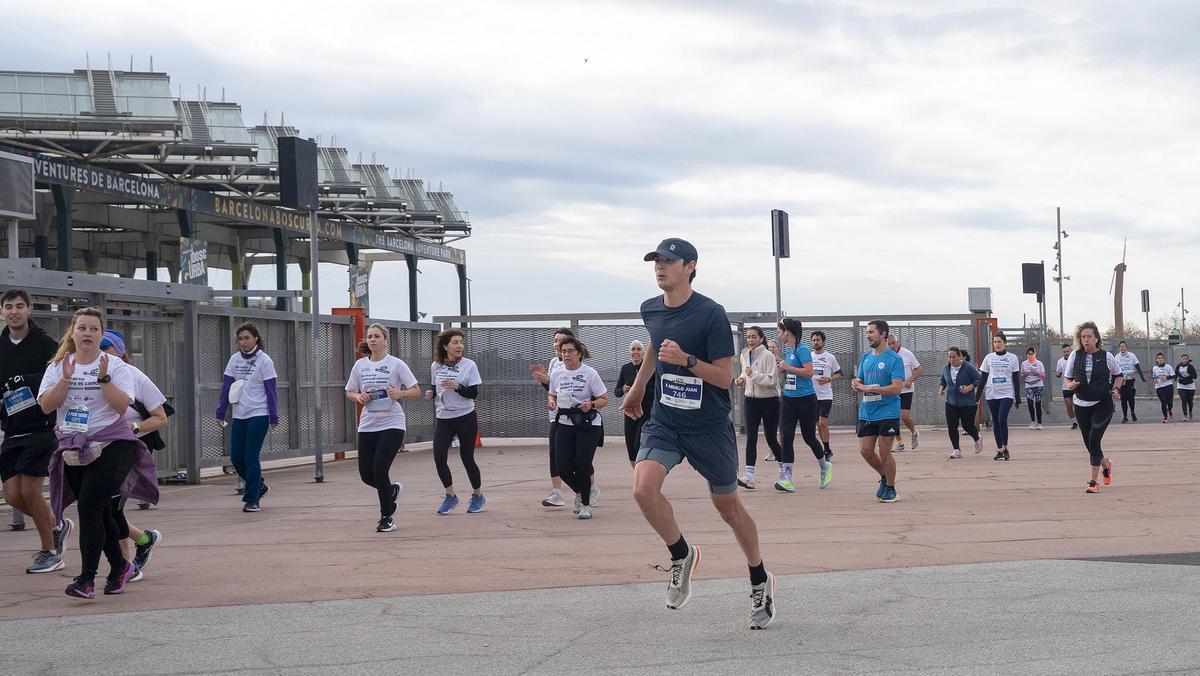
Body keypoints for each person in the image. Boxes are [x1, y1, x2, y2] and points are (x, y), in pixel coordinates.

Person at [621, 238, 775, 629]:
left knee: (728, 508)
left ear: (690, 267)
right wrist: (640, 386)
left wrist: (688, 361)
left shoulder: (711, 314)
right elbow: (656, 347)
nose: (660, 267)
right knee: (642, 489)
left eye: (668, 262)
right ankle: (681, 554)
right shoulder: (650, 308)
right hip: (666, 421)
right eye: (656, 261)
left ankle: (759, 579)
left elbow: (724, 377)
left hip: (708, 426)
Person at [37, 308, 157, 599]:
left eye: (94, 329)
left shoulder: (115, 366)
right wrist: (65, 380)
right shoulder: (58, 366)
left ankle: (86, 579)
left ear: (101, 335)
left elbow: (120, 407)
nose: (88, 334)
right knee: (99, 511)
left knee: (89, 504)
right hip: (74, 446)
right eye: (82, 328)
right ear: (73, 333)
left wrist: (104, 380)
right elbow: (46, 406)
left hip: (114, 443)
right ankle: (120, 567)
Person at [1, 289, 74, 574]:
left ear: (30, 309)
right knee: (12, 495)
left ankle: (50, 552)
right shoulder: (1, 345)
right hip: (12, 430)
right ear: (2, 312)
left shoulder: (45, 344)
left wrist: (26, 382)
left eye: (20, 306)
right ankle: (57, 525)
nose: (14, 311)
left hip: (41, 427)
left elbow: (59, 371)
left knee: (30, 490)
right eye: (9, 307)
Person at [99, 330, 166, 581]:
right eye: (98, 347)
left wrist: (135, 427)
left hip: (131, 448)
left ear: (120, 351)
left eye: (107, 347)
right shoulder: (87, 375)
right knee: (103, 508)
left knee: (111, 507)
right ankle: (145, 540)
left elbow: (160, 418)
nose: (102, 353)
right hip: (99, 450)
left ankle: (126, 565)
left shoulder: (135, 376)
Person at [345, 324, 420, 532]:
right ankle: (392, 491)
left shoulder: (396, 364)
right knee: (366, 475)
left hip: (392, 423)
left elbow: (415, 390)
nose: (372, 340)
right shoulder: (360, 365)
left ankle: (386, 517)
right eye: (369, 336)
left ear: (386, 340)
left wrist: (401, 394)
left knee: (379, 469)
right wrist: (358, 396)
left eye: (377, 336)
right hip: (368, 424)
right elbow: (349, 391)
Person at [215, 323, 278, 513]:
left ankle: (252, 500)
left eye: (247, 338)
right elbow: (226, 387)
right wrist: (220, 411)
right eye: (240, 339)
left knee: (251, 457)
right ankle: (259, 485)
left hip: (259, 414)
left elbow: (271, 390)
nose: (243, 342)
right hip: (239, 414)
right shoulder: (234, 359)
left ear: (256, 338)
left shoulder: (264, 361)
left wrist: (274, 416)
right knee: (236, 458)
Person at [425, 328, 485, 515]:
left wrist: (458, 387)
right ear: (445, 346)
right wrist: (431, 393)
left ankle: (477, 495)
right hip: (444, 418)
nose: (459, 346)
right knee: (439, 456)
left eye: (461, 342)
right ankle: (450, 496)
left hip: (465, 417)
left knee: (467, 458)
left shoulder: (469, 365)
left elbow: (473, 393)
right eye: (455, 342)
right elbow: (436, 388)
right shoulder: (436, 366)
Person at [549, 336, 608, 520]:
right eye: (563, 351)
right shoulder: (557, 373)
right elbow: (552, 394)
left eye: (570, 351)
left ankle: (585, 505)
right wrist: (551, 402)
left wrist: (590, 404)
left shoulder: (590, 373)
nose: (566, 355)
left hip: (587, 424)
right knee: (562, 466)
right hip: (564, 423)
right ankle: (582, 492)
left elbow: (604, 400)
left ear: (579, 353)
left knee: (582, 465)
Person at [851, 320, 905, 503]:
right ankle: (884, 475)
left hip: (888, 411)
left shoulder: (894, 359)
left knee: (884, 451)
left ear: (883, 334)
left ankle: (891, 488)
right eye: (867, 332)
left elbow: (897, 388)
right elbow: (860, 380)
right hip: (867, 411)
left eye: (871, 332)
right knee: (865, 451)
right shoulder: (866, 357)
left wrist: (871, 389)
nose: (868, 335)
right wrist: (856, 385)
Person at [1063, 322, 1121, 494]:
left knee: (1094, 440)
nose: (1086, 340)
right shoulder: (1074, 355)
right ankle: (1106, 465)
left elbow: (1118, 375)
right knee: (1089, 444)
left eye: (1089, 336)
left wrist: (1116, 389)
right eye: (1083, 337)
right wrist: (1071, 384)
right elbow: (1067, 378)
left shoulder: (1106, 357)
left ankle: (1093, 482)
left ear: (1096, 338)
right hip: (1081, 404)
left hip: (1102, 404)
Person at [776, 318, 830, 491]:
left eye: (780, 331)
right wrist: (783, 369)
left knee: (808, 437)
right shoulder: (790, 351)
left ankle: (824, 465)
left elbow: (809, 372)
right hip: (788, 399)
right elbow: (793, 372)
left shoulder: (803, 349)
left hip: (806, 400)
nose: (779, 335)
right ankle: (788, 479)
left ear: (787, 332)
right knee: (786, 437)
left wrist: (788, 368)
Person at [735, 326, 780, 489]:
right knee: (751, 437)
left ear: (761, 339)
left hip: (769, 400)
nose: (750, 340)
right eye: (748, 337)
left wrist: (752, 375)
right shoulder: (744, 354)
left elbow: (772, 380)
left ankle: (784, 471)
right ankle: (749, 475)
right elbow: (743, 372)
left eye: (754, 337)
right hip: (751, 400)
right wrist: (740, 380)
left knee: (771, 437)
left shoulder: (768, 356)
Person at [977, 333, 1021, 461]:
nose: (997, 344)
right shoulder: (989, 358)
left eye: (999, 342)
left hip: (1007, 393)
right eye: (995, 342)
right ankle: (1000, 449)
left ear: (1005, 343)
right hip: (992, 393)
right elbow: (983, 377)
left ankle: (1005, 447)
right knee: (995, 421)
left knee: (1002, 419)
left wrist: (1017, 397)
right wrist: (977, 395)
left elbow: (1015, 378)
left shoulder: (1012, 358)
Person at [615, 340, 654, 467]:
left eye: (638, 349)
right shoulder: (626, 368)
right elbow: (617, 391)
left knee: (639, 444)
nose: (635, 352)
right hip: (630, 411)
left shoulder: (649, 368)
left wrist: (639, 389)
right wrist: (624, 389)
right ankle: (637, 473)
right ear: (629, 352)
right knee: (630, 445)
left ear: (643, 352)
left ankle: (642, 473)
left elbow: (656, 390)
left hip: (646, 411)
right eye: (633, 349)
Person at [939, 347, 982, 458]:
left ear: (960, 356)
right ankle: (956, 450)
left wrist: (970, 387)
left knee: (967, 426)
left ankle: (977, 438)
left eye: (954, 357)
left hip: (967, 403)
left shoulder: (967, 367)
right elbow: (943, 380)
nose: (952, 359)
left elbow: (979, 379)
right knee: (952, 426)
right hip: (951, 402)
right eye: (950, 357)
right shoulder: (945, 368)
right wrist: (941, 388)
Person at [810, 331, 842, 464]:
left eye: (818, 340)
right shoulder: (808, 356)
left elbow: (839, 373)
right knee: (818, 424)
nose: (815, 342)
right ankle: (826, 449)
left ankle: (827, 449)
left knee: (823, 422)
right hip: (812, 394)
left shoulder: (830, 357)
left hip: (825, 394)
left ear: (823, 342)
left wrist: (829, 378)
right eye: (813, 340)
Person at [887, 334, 922, 451]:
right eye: (889, 344)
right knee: (893, 417)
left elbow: (918, 369)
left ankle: (913, 432)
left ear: (898, 342)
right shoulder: (885, 355)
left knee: (905, 416)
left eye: (893, 343)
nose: (891, 346)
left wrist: (910, 380)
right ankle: (900, 443)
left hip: (906, 390)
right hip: (892, 390)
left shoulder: (907, 353)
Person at [1115, 341, 1146, 423]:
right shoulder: (1117, 357)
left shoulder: (1132, 355)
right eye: (1120, 346)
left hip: (1131, 379)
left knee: (1130, 397)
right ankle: (1125, 417)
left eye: (1123, 346)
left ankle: (1132, 412)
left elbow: (1137, 366)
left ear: (1126, 347)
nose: (1122, 348)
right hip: (1122, 381)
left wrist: (1142, 377)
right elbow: (1114, 369)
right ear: (1119, 348)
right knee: (1123, 399)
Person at [764, 339, 783, 462]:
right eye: (769, 347)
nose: (771, 349)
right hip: (768, 396)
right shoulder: (764, 362)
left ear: (778, 349)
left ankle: (781, 449)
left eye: (773, 347)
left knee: (782, 424)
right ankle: (771, 450)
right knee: (769, 426)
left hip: (782, 396)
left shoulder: (782, 362)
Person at [1054, 344, 1078, 429]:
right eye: (1064, 352)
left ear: (1071, 350)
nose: (1066, 353)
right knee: (1069, 405)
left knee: (1078, 405)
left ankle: (1081, 421)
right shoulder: (1060, 361)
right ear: (1062, 352)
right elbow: (1058, 373)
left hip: (1076, 386)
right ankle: (1074, 422)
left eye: (1068, 351)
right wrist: (1057, 374)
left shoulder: (1075, 359)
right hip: (1066, 387)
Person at [1022, 347, 1047, 430]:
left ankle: (1039, 423)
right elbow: (1021, 375)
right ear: (1026, 355)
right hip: (1029, 385)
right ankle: (1033, 421)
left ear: (1035, 354)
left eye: (1031, 353)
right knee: (1029, 402)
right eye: (1028, 354)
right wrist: (1024, 374)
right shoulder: (1024, 363)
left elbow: (1043, 376)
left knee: (1037, 403)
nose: (1030, 355)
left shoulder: (1039, 363)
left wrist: (1037, 373)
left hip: (1038, 385)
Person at [1151, 352, 1176, 423]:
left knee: (1170, 402)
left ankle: (1170, 410)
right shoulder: (1155, 368)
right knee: (1163, 401)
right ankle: (1165, 418)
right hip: (1159, 387)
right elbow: (1154, 377)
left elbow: (1174, 376)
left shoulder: (1168, 367)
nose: (1160, 359)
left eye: (1161, 358)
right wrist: (1154, 380)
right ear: (1156, 360)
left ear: (1164, 359)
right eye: (1159, 358)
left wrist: (1167, 377)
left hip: (1168, 386)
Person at [1176, 354, 1196, 422]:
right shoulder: (1178, 366)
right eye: (1183, 359)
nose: (1184, 360)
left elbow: (1195, 376)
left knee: (1190, 402)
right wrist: (1174, 378)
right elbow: (1175, 374)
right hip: (1181, 385)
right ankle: (1185, 415)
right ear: (1181, 359)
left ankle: (1190, 411)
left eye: (1186, 359)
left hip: (1190, 386)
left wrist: (1189, 375)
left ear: (1188, 360)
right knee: (1184, 400)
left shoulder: (1190, 367)